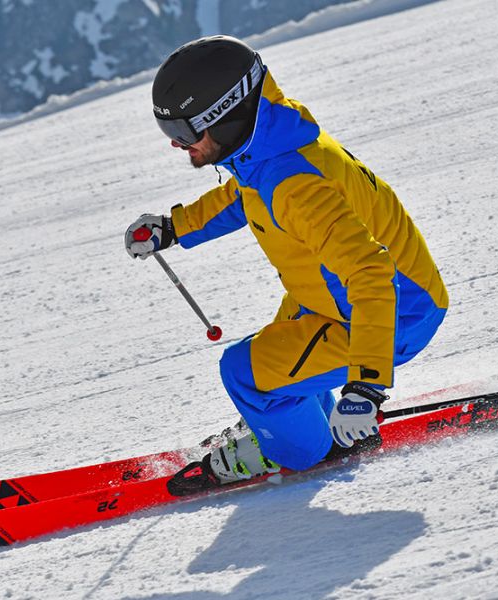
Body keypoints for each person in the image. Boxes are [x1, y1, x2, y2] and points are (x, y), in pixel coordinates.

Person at [125, 36, 449, 484]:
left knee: (244, 374)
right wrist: (174, 228)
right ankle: (283, 420)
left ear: (225, 115)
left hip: (394, 312)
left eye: (183, 132)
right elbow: (242, 197)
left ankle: (301, 451)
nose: (178, 146)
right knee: (278, 344)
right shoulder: (268, 149)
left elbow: (371, 273)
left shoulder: (295, 186)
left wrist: (367, 386)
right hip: (336, 297)